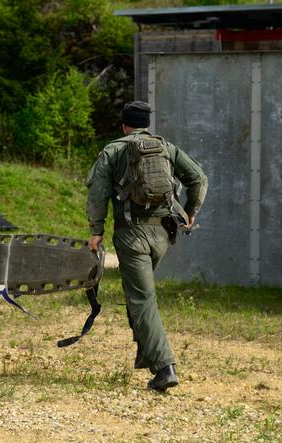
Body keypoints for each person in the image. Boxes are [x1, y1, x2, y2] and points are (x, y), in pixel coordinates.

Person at [86, 101, 207, 392]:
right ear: (146, 124)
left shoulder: (112, 150)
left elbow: (97, 194)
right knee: (136, 292)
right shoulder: (166, 147)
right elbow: (198, 178)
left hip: (132, 235)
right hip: (163, 234)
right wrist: (191, 212)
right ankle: (146, 351)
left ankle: (165, 367)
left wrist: (96, 231)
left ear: (124, 125)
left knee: (142, 299)